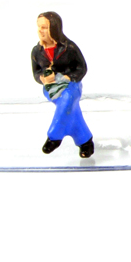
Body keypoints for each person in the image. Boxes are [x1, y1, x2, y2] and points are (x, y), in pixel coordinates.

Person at [31, 12, 94, 158]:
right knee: (70, 108)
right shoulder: (36, 51)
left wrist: (67, 77)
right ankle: (85, 141)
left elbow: (81, 68)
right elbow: (36, 72)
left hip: (71, 85)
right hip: (51, 87)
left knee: (68, 98)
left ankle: (54, 136)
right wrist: (43, 78)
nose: (40, 31)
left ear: (54, 28)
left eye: (44, 27)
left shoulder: (69, 47)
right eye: (39, 27)